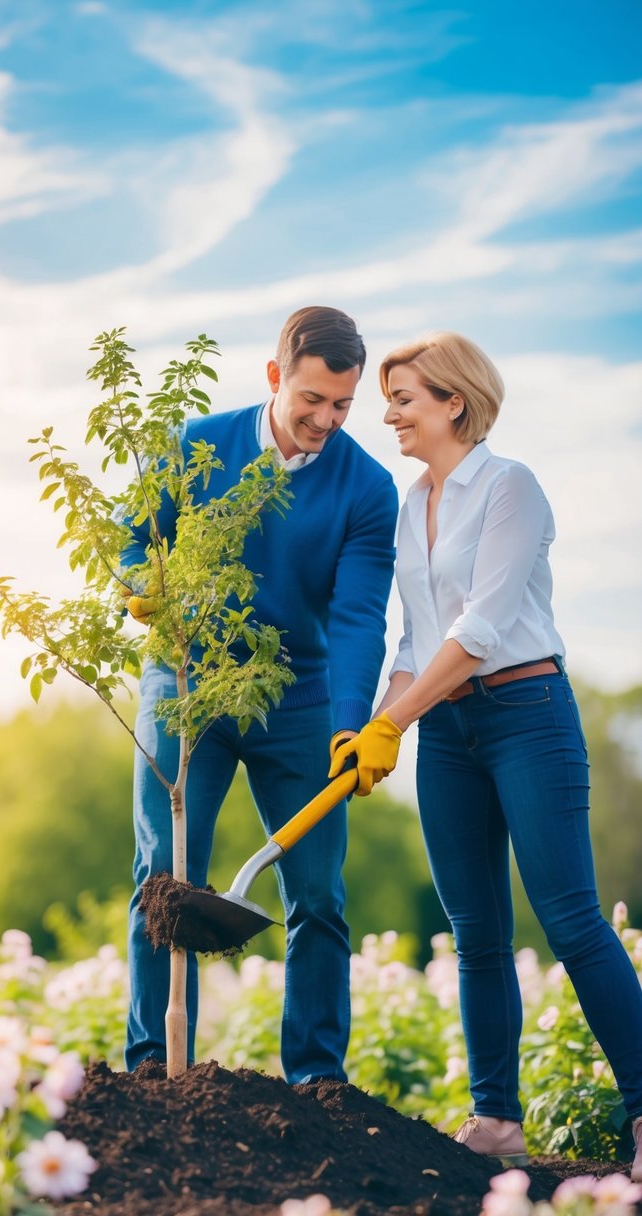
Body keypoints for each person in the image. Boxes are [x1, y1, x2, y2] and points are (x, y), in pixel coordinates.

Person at [329, 331, 642, 1176]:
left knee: (572, 919)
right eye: (388, 398)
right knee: (474, 934)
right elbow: (415, 639)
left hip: (525, 713)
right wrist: (369, 726)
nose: (386, 412)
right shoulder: (408, 504)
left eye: (403, 397)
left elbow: (479, 631)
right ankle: (497, 1121)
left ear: (452, 402)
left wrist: (398, 721)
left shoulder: (509, 488)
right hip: (450, 736)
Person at [123, 306, 398, 1084]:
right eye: (311, 399)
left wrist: (353, 725)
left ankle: (317, 1080)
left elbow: (355, 619)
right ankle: (153, 1067)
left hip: (300, 700)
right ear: (275, 377)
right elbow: (133, 533)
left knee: (317, 893)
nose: (325, 419)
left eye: (342, 406)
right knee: (162, 875)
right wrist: (143, 584)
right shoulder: (194, 446)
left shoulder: (368, 490)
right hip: (187, 687)